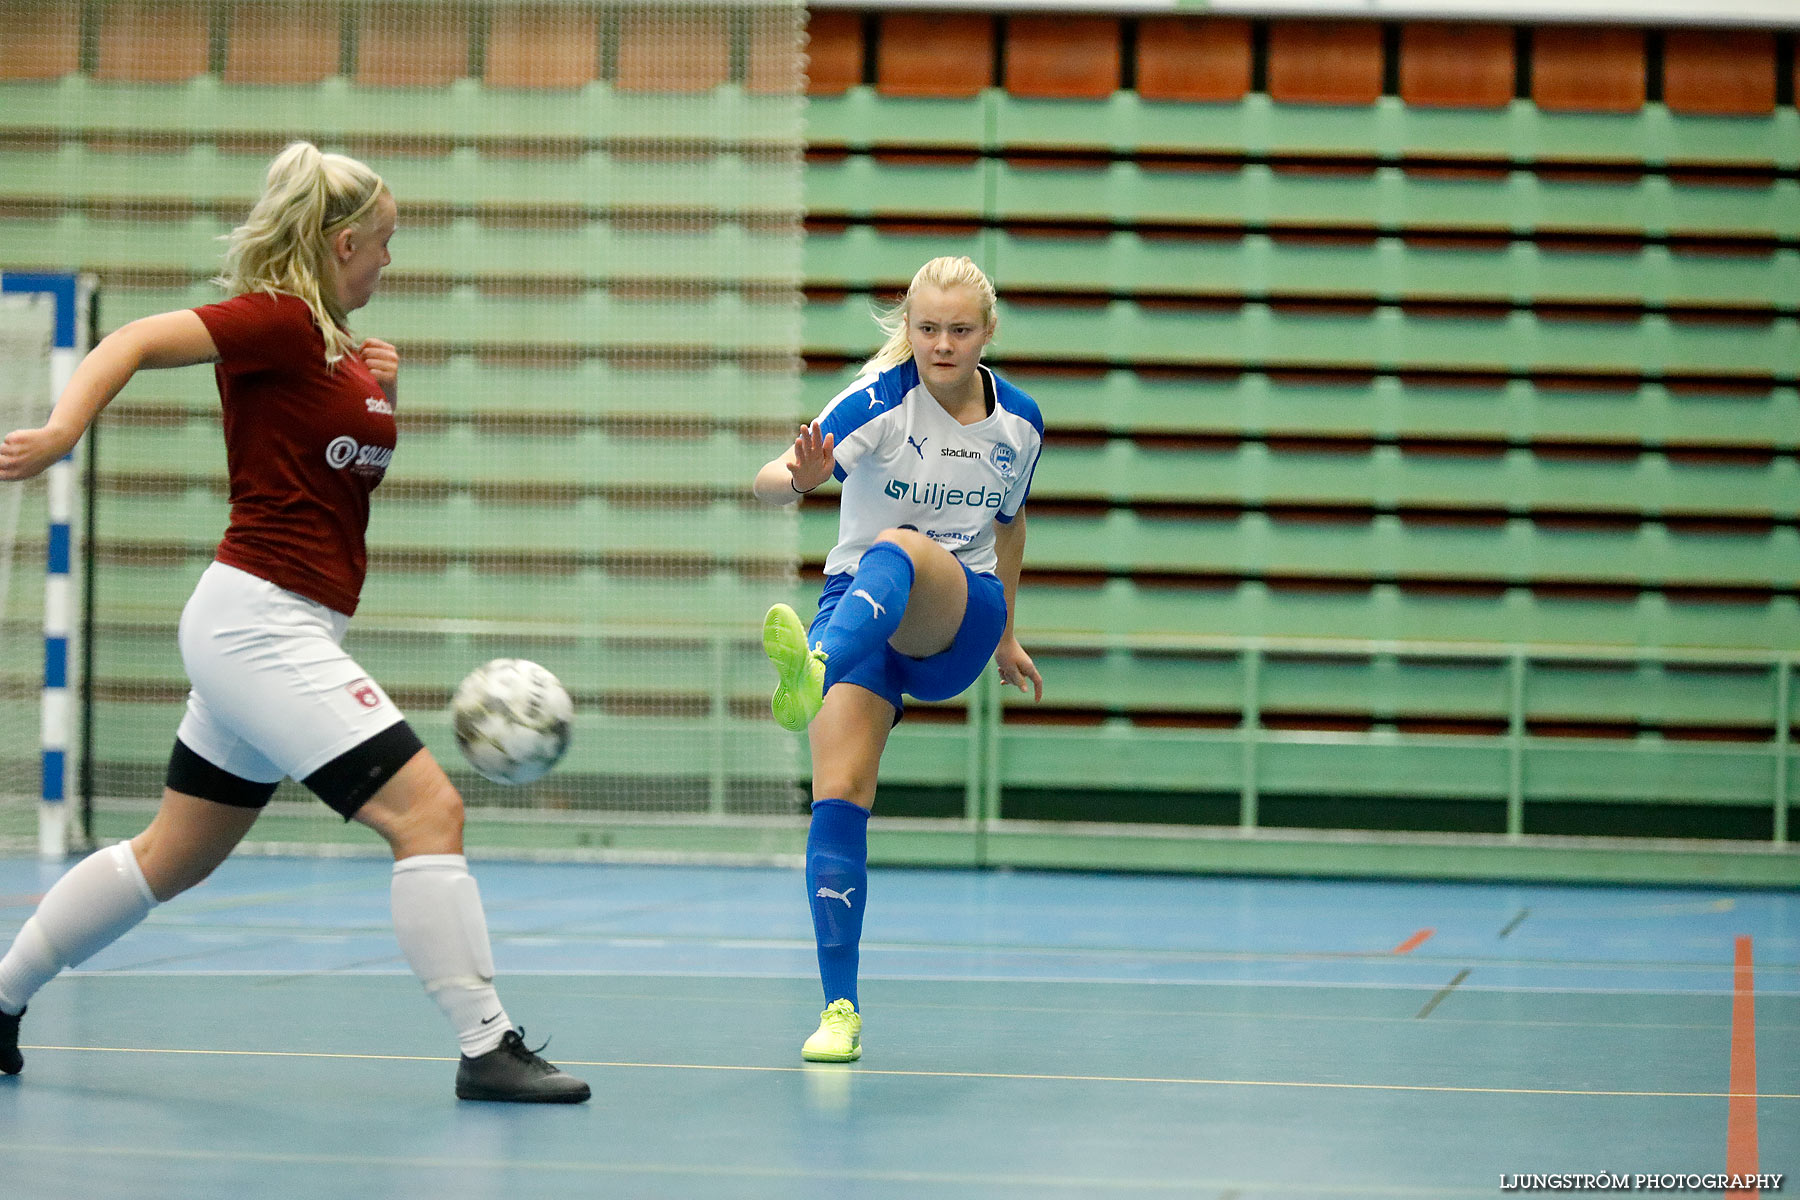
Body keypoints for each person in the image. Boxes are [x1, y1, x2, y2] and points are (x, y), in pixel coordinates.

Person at [0, 142, 588, 1103]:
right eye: (384, 244)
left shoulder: (338, 352)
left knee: (171, 856)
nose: (389, 264)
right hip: (257, 623)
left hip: (285, 626)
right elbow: (133, 341)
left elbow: (337, 479)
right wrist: (63, 431)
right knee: (430, 812)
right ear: (342, 240)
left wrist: (384, 396)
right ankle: (488, 1046)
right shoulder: (275, 320)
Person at [752, 255, 1045, 1062]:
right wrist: (800, 479)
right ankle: (838, 1012)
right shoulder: (877, 402)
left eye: (959, 330)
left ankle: (814, 663)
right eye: (926, 329)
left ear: (987, 333)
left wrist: (1010, 633)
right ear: (906, 328)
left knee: (904, 545)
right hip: (861, 608)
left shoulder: (1018, 423)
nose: (941, 345)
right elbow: (767, 481)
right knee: (839, 793)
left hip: (959, 614)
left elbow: (1011, 527)